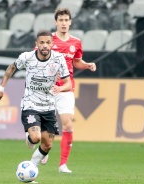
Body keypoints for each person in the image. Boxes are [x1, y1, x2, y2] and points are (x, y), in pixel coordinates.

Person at [0, 30, 72, 171]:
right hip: (30, 104)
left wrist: (60, 89)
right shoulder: (27, 57)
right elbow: (12, 67)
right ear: (36, 44)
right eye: (41, 42)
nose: (45, 45)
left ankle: (31, 168)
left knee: (47, 144)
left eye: (48, 42)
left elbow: (69, 83)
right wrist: (1, 88)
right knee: (36, 138)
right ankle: (30, 138)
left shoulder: (59, 59)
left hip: (49, 106)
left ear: (52, 44)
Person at [39, 8, 97, 173]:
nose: (64, 23)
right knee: (45, 123)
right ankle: (44, 148)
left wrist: (86, 65)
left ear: (70, 22)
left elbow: (76, 61)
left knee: (67, 124)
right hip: (48, 88)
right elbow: (39, 59)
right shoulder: (47, 40)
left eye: (66, 20)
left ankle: (63, 164)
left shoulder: (76, 42)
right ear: (56, 22)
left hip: (66, 88)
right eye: (61, 20)